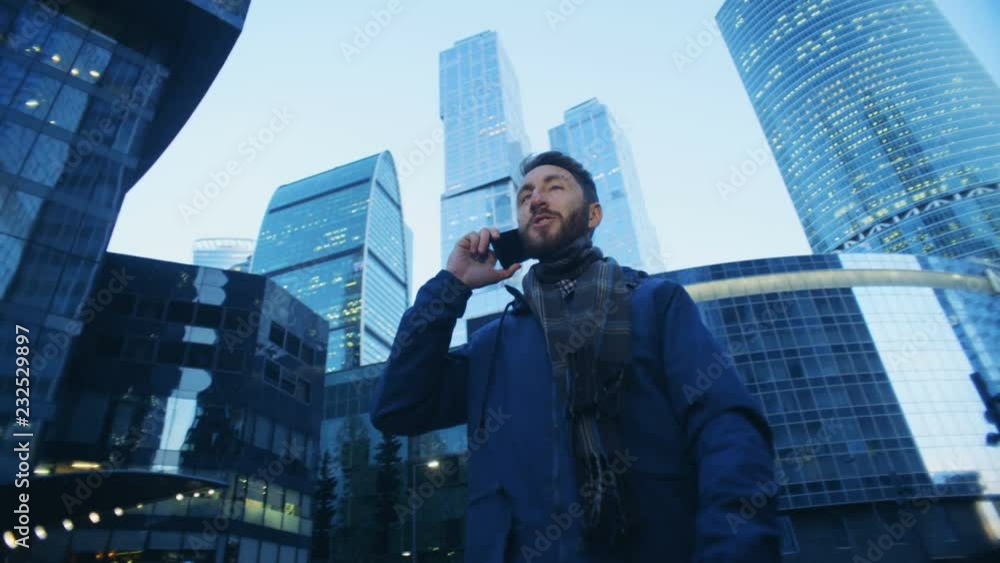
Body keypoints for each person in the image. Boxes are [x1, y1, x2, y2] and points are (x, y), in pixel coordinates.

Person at [372, 151, 779, 562]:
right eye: (525, 195)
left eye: (555, 187)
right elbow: (398, 407)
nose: (536, 199)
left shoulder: (654, 303)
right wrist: (452, 285)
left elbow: (727, 430)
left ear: (593, 214)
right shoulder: (493, 343)